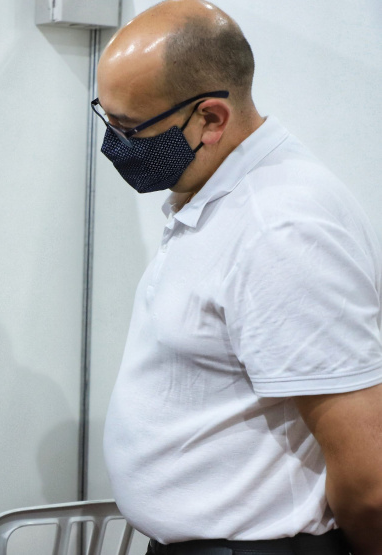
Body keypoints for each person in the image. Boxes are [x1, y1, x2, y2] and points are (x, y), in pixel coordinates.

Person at [97, 1, 382, 553]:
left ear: (210, 119)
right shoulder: (215, 193)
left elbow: (369, 481)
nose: (114, 143)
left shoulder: (281, 229)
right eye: (107, 118)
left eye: (130, 128)